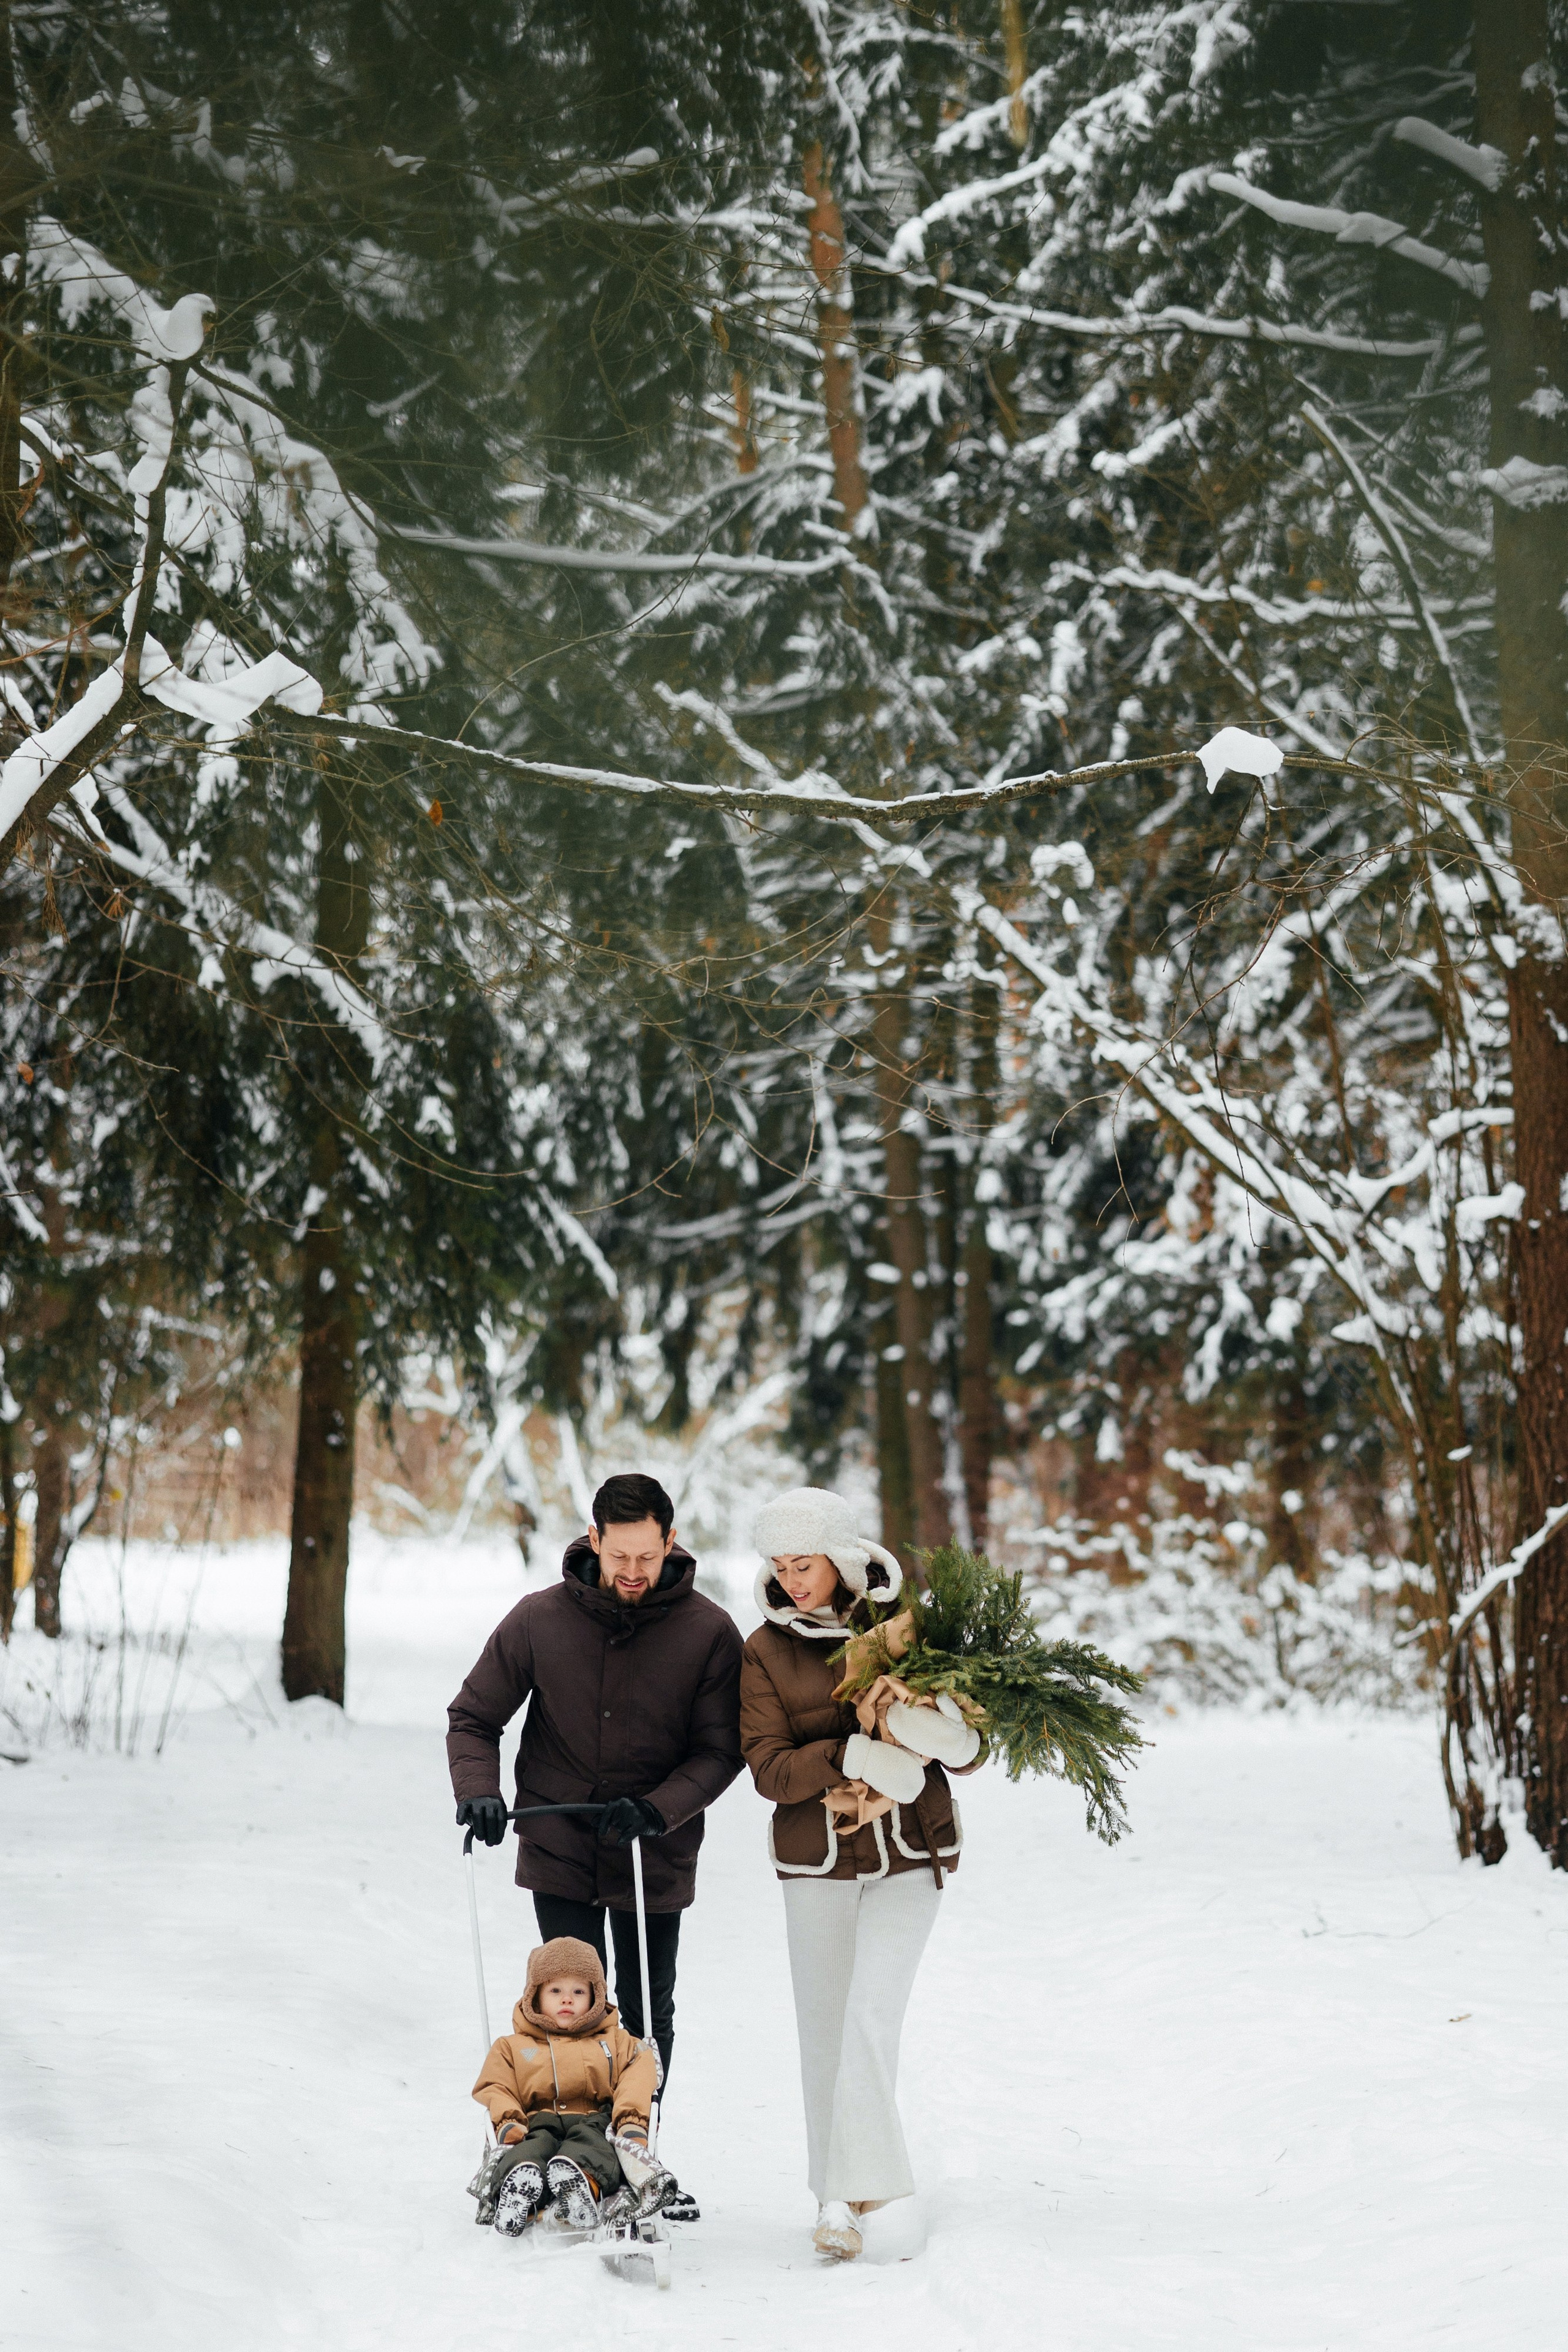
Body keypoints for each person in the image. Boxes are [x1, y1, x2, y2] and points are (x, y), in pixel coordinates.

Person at [447, 1471, 743, 2221]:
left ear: (671, 1543)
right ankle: (564, 2157)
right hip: (560, 1842)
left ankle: (629, 2159)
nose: (634, 1573)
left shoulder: (708, 1632)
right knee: (571, 2014)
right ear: (594, 1540)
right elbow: (474, 1716)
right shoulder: (539, 1620)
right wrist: (477, 1791)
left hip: (653, 1850)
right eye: (621, 1558)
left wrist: (659, 1808)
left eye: (649, 1556)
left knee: (643, 2015)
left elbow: (720, 1750)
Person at [739, 1485, 983, 2263]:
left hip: (911, 1854)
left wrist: (928, 1727)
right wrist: (845, 1754)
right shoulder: (763, 1652)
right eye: (779, 1565)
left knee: (870, 2019)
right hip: (815, 1862)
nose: (791, 1579)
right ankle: (834, 2201)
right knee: (825, 2032)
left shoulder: (914, 1629)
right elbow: (768, 1769)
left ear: (842, 1558)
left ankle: (854, 2189)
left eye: (803, 1563)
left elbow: (973, 1749)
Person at [470, 1936, 670, 2236]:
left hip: (594, 2119)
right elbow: (496, 2085)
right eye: (556, 1991)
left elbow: (639, 2073)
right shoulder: (511, 2047)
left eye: (579, 1991)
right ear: (535, 1997)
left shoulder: (617, 2042)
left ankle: (581, 2187)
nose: (567, 1999)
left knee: (593, 2149)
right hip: (536, 2121)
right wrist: (509, 2120)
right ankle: (520, 2192)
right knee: (529, 2150)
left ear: (595, 1997)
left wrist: (630, 2121)